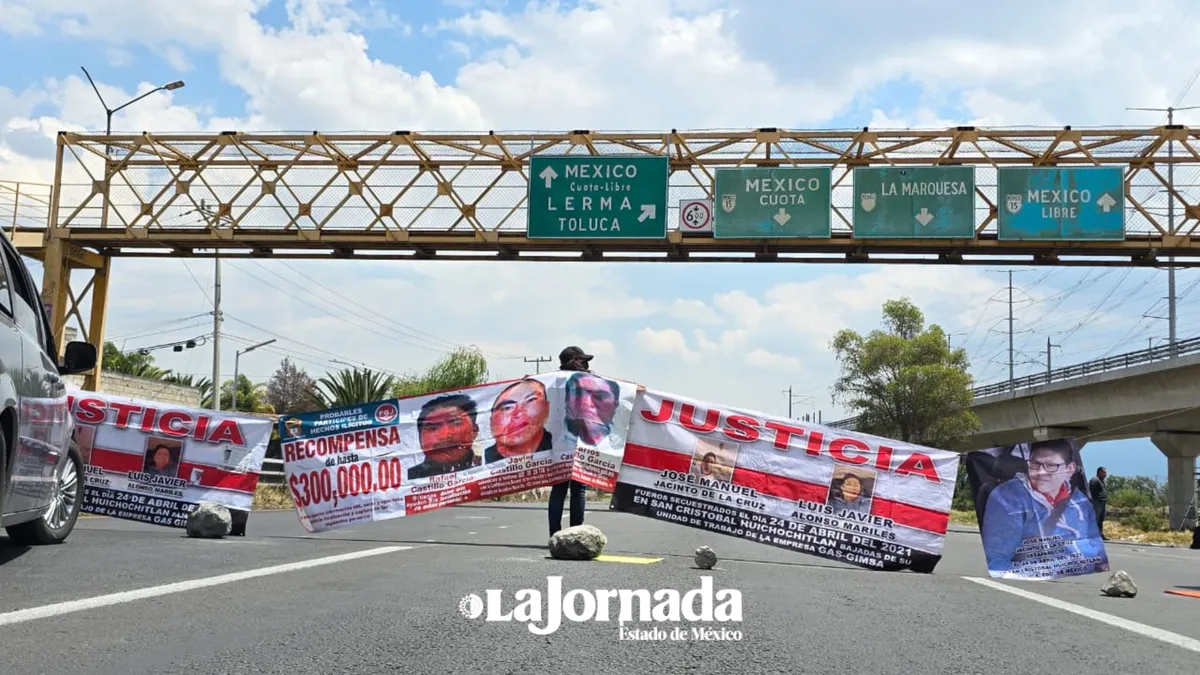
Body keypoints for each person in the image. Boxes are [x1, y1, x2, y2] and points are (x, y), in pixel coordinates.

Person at [980, 439, 1107, 577]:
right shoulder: (1008, 499)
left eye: (1051, 465)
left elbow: (1095, 547)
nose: (1040, 472)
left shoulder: (1080, 501)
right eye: (1035, 464)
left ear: (1069, 469)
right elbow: (998, 562)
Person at [548, 346, 591, 538]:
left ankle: (555, 534)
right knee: (576, 489)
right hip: (577, 443)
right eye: (583, 360)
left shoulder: (552, 380)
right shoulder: (587, 380)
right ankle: (575, 533)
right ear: (572, 361)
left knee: (561, 488)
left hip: (558, 444)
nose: (587, 364)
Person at [408, 394, 482, 479]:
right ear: (420, 439)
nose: (444, 436)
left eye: (456, 424)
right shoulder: (409, 480)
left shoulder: (487, 469)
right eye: (433, 428)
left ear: (474, 430)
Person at [1089, 466, 1108, 540]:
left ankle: (1100, 534)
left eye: (1106, 473)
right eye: (1104, 472)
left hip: (1102, 502)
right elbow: (1091, 491)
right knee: (1095, 519)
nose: (1105, 474)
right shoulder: (1095, 480)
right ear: (1099, 472)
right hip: (1097, 502)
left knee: (1101, 519)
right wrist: (1096, 499)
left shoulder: (1102, 481)